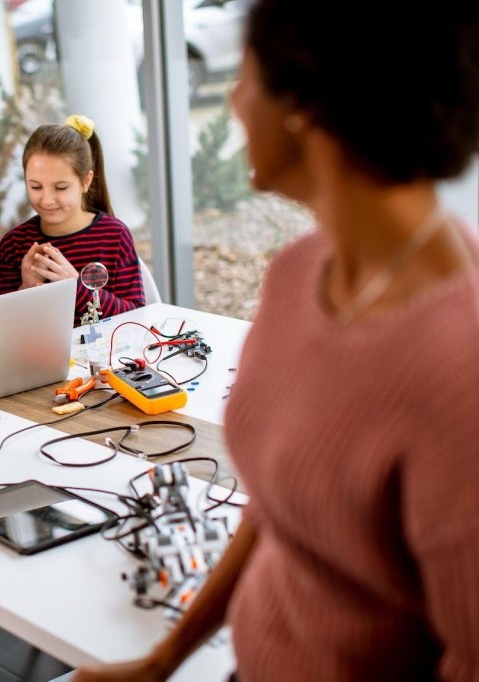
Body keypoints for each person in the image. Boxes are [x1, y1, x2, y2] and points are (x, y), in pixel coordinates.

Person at [75, 2, 479, 680]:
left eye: (246, 78)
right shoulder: (299, 273)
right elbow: (279, 504)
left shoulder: (457, 363)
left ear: (309, 100)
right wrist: (162, 660)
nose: (233, 101)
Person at [0, 115, 145, 327]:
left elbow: (137, 315)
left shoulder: (114, 236)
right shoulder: (13, 245)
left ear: (85, 181)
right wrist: (27, 287)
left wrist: (76, 288)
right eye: (35, 186)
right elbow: (1, 328)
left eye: (61, 187)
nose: (47, 199)